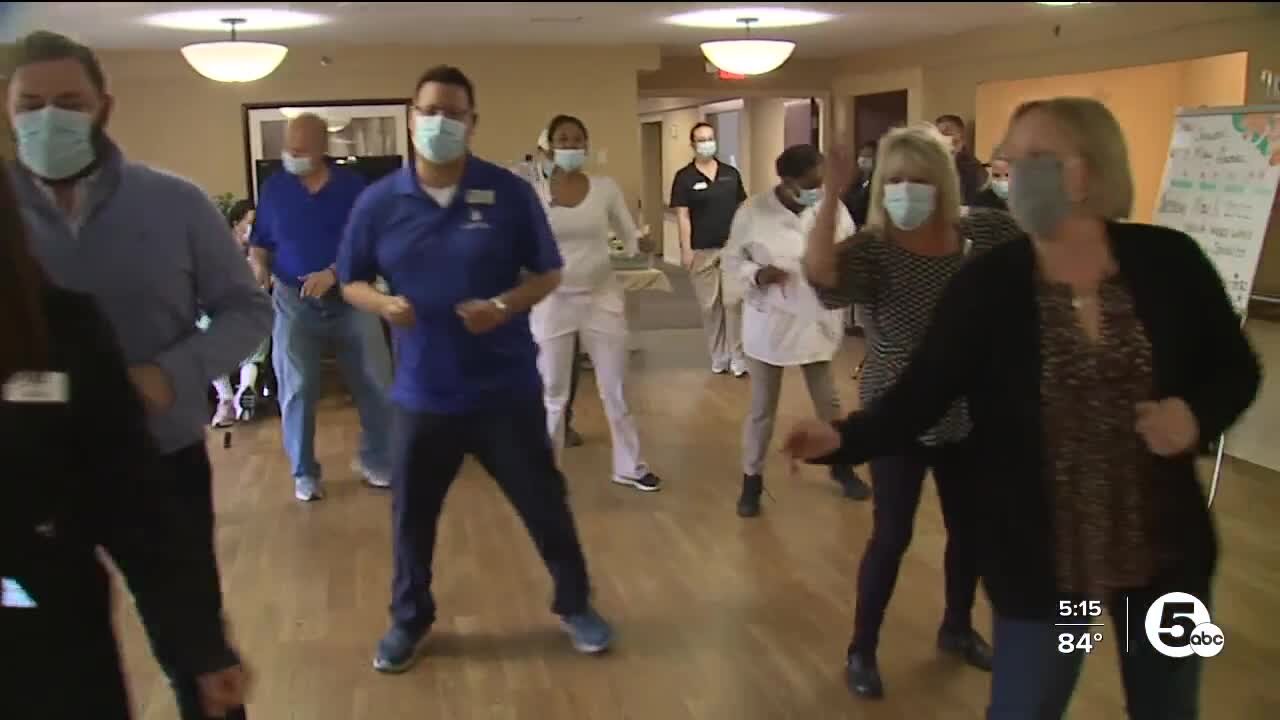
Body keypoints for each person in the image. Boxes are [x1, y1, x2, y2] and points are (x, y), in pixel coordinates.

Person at [786, 97, 1260, 719]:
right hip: (1045, 563)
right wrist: (842, 439)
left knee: (1168, 706)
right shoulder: (991, 282)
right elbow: (925, 389)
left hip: (1162, 556)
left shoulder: (1168, 261)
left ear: (1088, 170)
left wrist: (1195, 416)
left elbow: (1235, 368)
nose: (1013, 168)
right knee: (1026, 705)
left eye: (1037, 157)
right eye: (1012, 157)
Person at [6, 31, 263, 720]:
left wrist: (172, 373)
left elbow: (245, 311)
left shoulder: (174, 204)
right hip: (24, 490)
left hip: (157, 464)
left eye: (68, 102)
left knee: (196, 647)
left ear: (103, 108)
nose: (49, 119)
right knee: (48, 661)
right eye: (30, 104)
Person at [337, 65, 613, 674]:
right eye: (431, 110)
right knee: (412, 518)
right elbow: (349, 279)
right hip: (421, 393)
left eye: (455, 113)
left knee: (545, 504)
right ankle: (409, 619)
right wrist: (383, 303)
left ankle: (576, 605)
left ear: (472, 122)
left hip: (503, 389)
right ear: (412, 118)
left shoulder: (507, 193)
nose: (441, 123)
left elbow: (548, 273)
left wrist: (503, 305)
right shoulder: (380, 202)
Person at [803, 124, 1022, 699]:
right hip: (895, 408)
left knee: (968, 530)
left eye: (918, 180)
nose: (905, 191)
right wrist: (831, 195)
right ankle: (862, 649)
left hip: (971, 409)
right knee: (892, 533)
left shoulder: (986, 233)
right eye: (894, 180)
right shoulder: (876, 249)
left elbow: (1039, 260)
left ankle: (956, 627)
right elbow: (822, 275)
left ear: (944, 184)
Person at [249, 113, 394, 502]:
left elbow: (370, 244)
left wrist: (334, 272)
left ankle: (377, 461)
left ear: (322, 149)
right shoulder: (276, 190)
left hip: (351, 297)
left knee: (376, 380)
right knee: (297, 387)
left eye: (301, 149)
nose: (292, 155)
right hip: (293, 301)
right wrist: (259, 266)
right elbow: (260, 243)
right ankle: (304, 473)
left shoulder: (353, 188)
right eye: (288, 149)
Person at [723, 144, 869, 517]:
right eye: (811, 183)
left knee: (829, 402)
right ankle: (751, 481)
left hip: (815, 318)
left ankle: (842, 466)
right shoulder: (753, 211)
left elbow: (851, 248)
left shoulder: (831, 208)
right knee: (762, 409)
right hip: (770, 320)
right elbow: (732, 259)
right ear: (787, 181)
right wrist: (758, 274)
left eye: (822, 182)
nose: (819, 189)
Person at [528, 114, 662, 491]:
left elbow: (628, 232)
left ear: (586, 146)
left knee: (615, 388)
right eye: (563, 140)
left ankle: (630, 466)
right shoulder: (535, 192)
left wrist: (642, 244)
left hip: (601, 297)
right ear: (550, 146)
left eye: (577, 140)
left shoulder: (605, 188)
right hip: (552, 299)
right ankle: (545, 473)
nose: (571, 147)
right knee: (553, 392)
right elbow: (522, 241)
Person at [671, 121, 749, 377]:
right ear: (693, 145)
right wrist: (686, 249)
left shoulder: (730, 174)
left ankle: (739, 357)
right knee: (710, 305)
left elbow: (741, 208)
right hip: (701, 249)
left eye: (710, 138)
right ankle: (719, 355)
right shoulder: (685, 177)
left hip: (730, 249)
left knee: (733, 303)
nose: (707, 143)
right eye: (701, 139)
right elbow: (683, 216)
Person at [210, 199, 269, 427]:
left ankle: (239, 395)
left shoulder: (260, 253)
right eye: (250, 223)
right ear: (236, 224)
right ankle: (233, 396)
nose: (255, 229)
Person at [936, 114, 988, 206]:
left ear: (961, 137)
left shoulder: (973, 168)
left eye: (946, 132)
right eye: (938, 133)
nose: (941, 137)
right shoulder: (935, 163)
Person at [840, 140, 877, 227]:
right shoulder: (856, 180)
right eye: (862, 155)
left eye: (868, 156)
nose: (863, 159)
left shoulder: (878, 183)